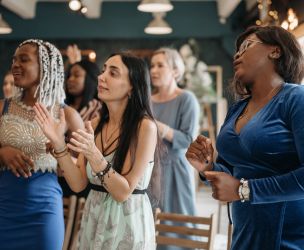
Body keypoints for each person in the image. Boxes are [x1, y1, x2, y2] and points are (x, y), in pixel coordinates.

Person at [186, 25, 304, 250]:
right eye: (237, 50)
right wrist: (208, 166)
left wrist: (244, 190)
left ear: (275, 51)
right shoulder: (237, 109)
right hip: (245, 233)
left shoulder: (296, 98)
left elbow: (239, 186)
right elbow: (232, 174)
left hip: (287, 238)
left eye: (247, 46)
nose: (238, 54)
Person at [34, 52, 160, 249]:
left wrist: (93, 153)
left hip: (127, 224)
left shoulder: (145, 127)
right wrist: (59, 144)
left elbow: (123, 192)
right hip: (94, 219)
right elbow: (78, 183)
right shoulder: (93, 124)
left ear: (132, 86)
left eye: (113, 73)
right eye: (103, 71)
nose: (102, 77)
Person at [0, 39, 84, 250]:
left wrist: (60, 152)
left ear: (45, 68)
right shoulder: (2, 108)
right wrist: (2, 153)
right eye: (14, 60)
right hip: (4, 207)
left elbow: (84, 172)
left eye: (24, 60)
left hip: (44, 211)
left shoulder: (67, 115)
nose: (15, 65)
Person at [150, 47, 200, 249]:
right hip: (150, 172)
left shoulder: (186, 99)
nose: (153, 70)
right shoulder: (147, 100)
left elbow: (188, 140)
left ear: (175, 71)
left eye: (160, 65)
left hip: (176, 172)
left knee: (178, 230)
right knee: (151, 227)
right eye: (152, 65)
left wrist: (160, 128)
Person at [60, 59, 101, 198]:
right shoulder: (62, 108)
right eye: (69, 75)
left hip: (81, 177)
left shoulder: (97, 110)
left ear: (90, 79)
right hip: (57, 175)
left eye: (77, 75)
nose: (70, 79)